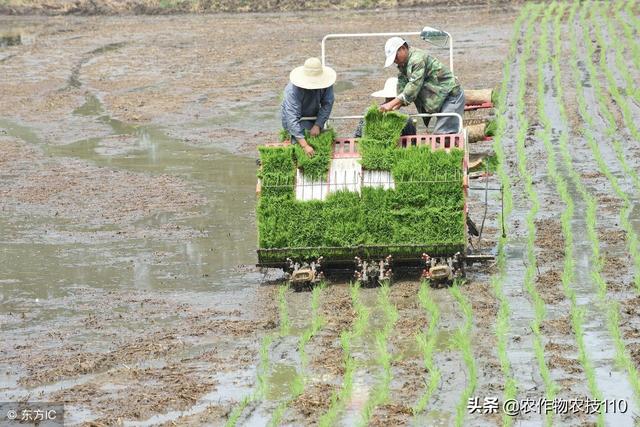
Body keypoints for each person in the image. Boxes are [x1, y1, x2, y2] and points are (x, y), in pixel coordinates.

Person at [379, 37, 464, 134]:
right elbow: (403, 90)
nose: (395, 61)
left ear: (402, 48)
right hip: (435, 100)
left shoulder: (417, 59)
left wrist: (390, 104)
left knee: (442, 133)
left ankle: (457, 146)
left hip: (450, 96)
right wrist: (394, 107)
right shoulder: (403, 66)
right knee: (434, 132)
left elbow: (413, 86)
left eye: (395, 57)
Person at [281, 57, 336, 157]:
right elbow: (291, 118)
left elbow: (327, 103)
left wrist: (318, 124)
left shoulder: (326, 84)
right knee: (299, 145)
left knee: (317, 138)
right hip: (296, 118)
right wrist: (305, 145)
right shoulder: (292, 91)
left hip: (313, 112)